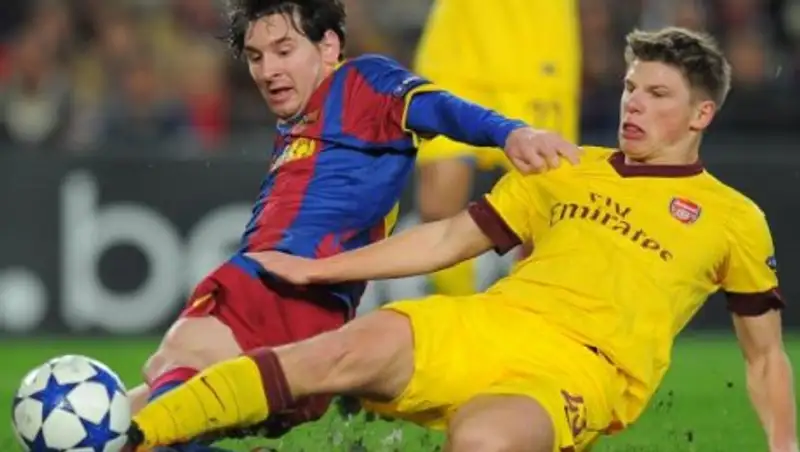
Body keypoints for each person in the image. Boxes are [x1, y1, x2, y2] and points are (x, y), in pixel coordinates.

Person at [125, 27, 797, 452]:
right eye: (629, 88)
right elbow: (449, 238)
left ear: (701, 114)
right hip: (486, 322)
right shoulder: (567, 167)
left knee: (482, 440)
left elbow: (765, 357)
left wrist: (785, 445)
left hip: (576, 369)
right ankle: (136, 434)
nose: (633, 104)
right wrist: (318, 271)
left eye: (656, 94)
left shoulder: (733, 218)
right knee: (337, 352)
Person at [126, 0, 579, 449]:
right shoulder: (300, 120)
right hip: (306, 317)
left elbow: (437, 107)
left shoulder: (361, 82)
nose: (268, 71)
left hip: (280, 290)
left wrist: (510, 132)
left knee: (172, 368)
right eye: (256, 57)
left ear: (328, 47)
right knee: (129, 421)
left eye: (284, 50)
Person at [413, 0, 582, 296]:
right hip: (459, 46)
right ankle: (457, 310)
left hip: (533, 48)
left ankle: (527, 314)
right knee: (437, 207)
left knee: (544, 217)